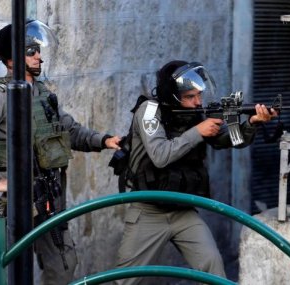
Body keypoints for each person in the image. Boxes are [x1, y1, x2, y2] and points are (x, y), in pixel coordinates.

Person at [0, 20, 121, 285]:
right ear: (11, 59)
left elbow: (69, 130)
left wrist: (104, 140)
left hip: (47, 196)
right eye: (30, 51)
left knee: (63, 263)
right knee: (8, 269)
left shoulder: (43, 93)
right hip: (13, 204)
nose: (38, 56)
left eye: (37, 50)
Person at [114, 60, 277, 284]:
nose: (197, 102)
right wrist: (198, 132)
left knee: (213, 267)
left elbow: (226, 141)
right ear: (172, 95)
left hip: (183, 210)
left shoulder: (194, 112)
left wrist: (252, 122)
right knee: (125, 280)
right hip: (148, 210)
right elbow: (160, 156)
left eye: (199, 95)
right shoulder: (149, 111)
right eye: (190, 96)